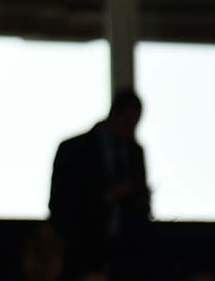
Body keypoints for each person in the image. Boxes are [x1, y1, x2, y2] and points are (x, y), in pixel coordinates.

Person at [48, 88, 150, 267]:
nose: (131, 131)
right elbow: (61, 203)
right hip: (81, 248)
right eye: (128, 123)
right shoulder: (73, 150)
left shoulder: (135, 152)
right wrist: (108, 197)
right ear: (115, 115)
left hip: (125, 253)